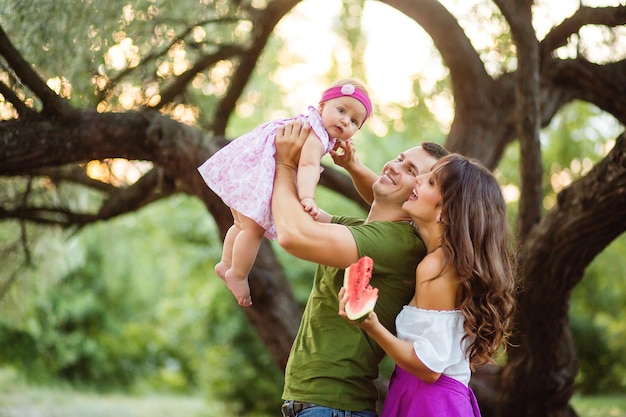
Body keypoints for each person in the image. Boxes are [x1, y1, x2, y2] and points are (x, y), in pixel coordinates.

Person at [271, 120, 449, 417]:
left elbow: (293, 235)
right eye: (400, 158)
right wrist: (350, 164)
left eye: (411, 172)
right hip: (322, 406)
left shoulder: (396, 243)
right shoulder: (366, 231)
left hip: (334, 407)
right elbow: (295, 216)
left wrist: (286, 164)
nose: (394, 165)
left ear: (421, 194)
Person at [339, 153, 517, 416]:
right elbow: (381, 197)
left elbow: (430, 368)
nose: (418, 180)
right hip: (430, 397)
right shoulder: (445, 258)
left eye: (431, 182)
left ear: (446, 210)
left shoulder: (436, 267)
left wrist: (371, 325)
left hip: (428, 400)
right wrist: (351, 165)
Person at [197, 78, 372, 306]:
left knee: (240, 225)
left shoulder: (312, 126)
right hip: (260, 173)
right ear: (321, 107)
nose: (344, 120)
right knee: (253, 230)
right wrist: (307, 197)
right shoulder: (317, 135)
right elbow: (308, 167)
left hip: (247, 170)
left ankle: (225, 263)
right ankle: (237, 274)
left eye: (354, 121)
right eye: (340, 110)